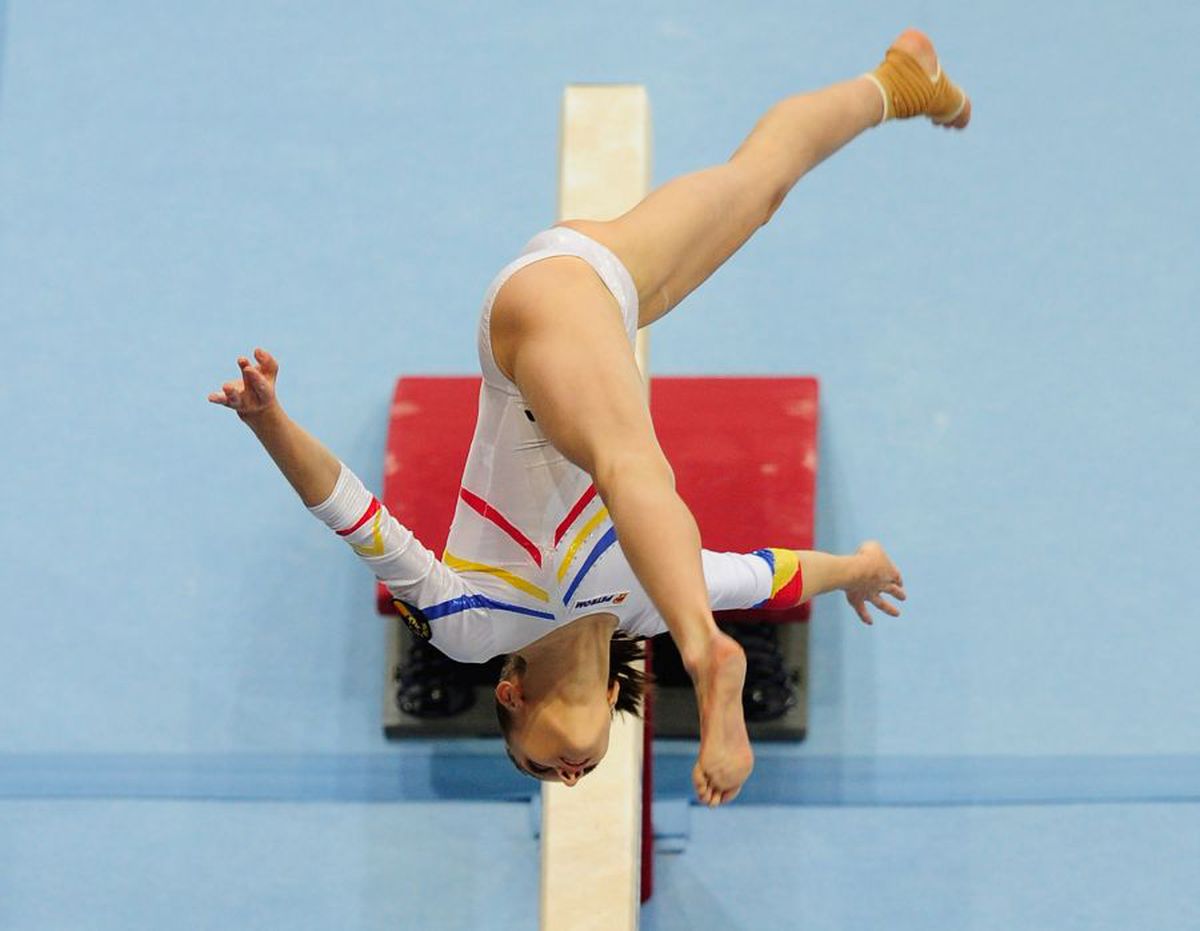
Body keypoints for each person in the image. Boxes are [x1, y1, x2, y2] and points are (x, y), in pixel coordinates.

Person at [210, 28, 966, 806]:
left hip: (529, 333)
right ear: (612, 701)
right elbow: (776, 575)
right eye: (581, 772)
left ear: (509, 696)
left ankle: (712, 659)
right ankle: (898, 81)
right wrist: (860, 567)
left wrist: (269, 421)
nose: (567, 776)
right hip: (600, 291)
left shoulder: (473, 630)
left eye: (539, 768)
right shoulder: (651, 598)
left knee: (627, 463)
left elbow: (357, 518)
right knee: (761, 186)